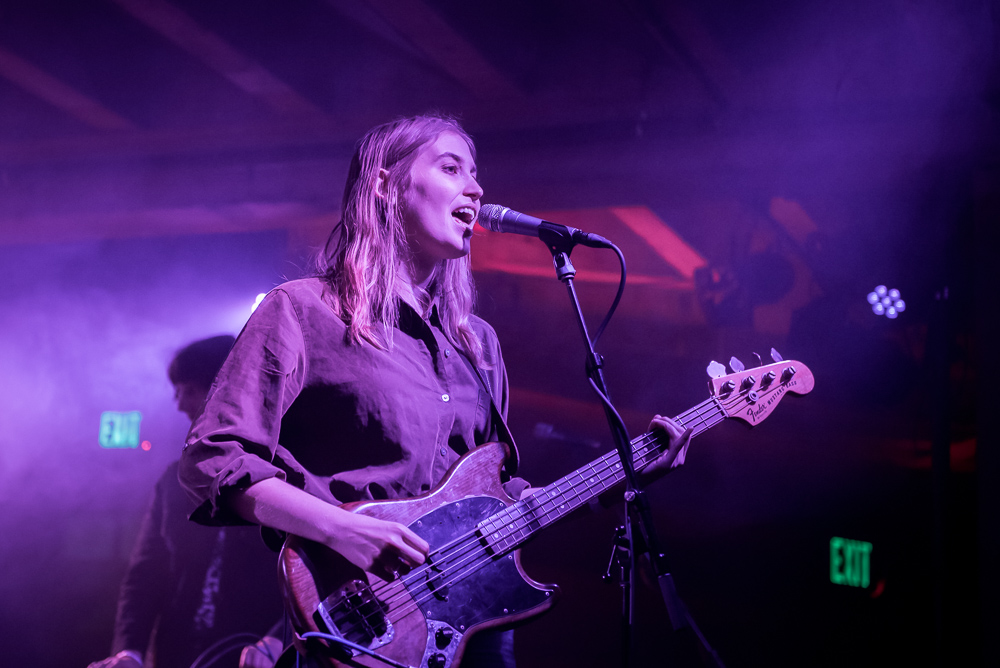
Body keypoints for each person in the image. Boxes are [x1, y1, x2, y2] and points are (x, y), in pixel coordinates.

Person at [178, 114, 691, 667]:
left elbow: (493, 497)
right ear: (383, 183)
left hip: (478, 624)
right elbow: (214, 458)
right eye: (451, 168)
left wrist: (620, 475)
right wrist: (344, 529)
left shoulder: (479, 344)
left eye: (476, 174)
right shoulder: (304, 311)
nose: (476, 188)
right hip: (359, 619)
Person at [89, 336, 284, 668]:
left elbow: (307, 570)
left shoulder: (282, 475)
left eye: (188, 391)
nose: (179, 404)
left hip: (253, 653)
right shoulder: (173, 480)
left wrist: (281, 637)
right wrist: (130, 650)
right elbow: (145, 572)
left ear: (220, 392)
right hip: (177, 652)